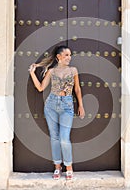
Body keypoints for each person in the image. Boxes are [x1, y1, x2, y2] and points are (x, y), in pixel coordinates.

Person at [29, 45, 85, 180]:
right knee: (54, 137)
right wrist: (32, 73)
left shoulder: (73, 70)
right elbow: (41, 88)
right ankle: (57, 166)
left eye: (70, 55)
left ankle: (69, 166)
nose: (69, 57)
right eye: (66, 55)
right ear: (58, 57)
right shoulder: (52, 71)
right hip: (51, 105)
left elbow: (77, 89)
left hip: (67, 105)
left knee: (64, 138)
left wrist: (81, 105)